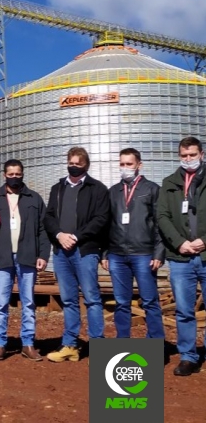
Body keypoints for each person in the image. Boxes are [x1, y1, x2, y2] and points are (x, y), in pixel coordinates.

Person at [43, 146, 109, 363]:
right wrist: (60, 235)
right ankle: (70, 344)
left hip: (84, 251)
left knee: (92, 299)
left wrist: (76, 236)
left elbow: (101, 219)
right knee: (69, 300)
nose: (73, 167)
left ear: (86, 165)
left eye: (77, 164)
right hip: (61, 252)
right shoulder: (57, 188)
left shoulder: (97, 189)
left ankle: (98, 345)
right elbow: (49, 217)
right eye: (70, 163)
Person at [0, 159, 50, 361]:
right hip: (2, 256)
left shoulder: (34, 198)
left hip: (27, 256)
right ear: (4, 174)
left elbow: (43, 229)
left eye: (18, 174)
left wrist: (43, 255)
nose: (14, 177)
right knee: (1, 304)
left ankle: (28, 344)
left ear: (23, 174)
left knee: (29, 303)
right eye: (11, 174)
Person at [102, 148, 164, 340]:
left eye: (129, 164)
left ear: (139, 165)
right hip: (117, 255)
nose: (125, 168)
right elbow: (106, 225)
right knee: (121, 302)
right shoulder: (113, 192)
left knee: (150, 301)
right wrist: (105, 253)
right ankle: (123, 343)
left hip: (143, 254)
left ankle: (155, 343)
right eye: (122, 164)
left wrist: (158, 253)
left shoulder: (151, 189)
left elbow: (160, 223)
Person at [158, 136, 206, 376]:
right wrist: (180, 243)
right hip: (180, 258)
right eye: (184, 156)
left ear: (202, 155)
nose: (188, 159)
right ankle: (188, 356)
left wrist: (204, 241)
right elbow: (162, 217)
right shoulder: (169, 183)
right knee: (185, 310)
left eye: (193, 155)